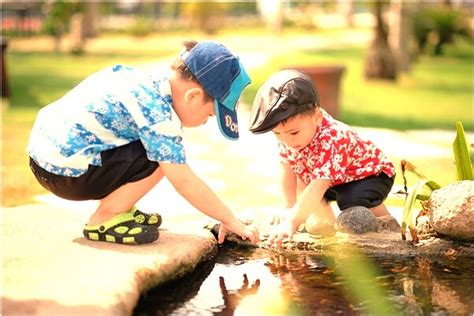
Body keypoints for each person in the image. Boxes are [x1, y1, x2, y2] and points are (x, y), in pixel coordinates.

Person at [27, 40, 259, 245]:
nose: (205, 123)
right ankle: (105, 217)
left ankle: (121, 207)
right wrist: (229, 219)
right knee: (164, 158)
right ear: (193, 96)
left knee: (157, 148)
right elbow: (184, 181)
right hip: (65, 175)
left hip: (44, 159)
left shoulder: (144, 81)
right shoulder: (158, 115)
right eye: (209, 116)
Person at [248, 70, 395, 246]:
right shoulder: (290, 137)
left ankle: (389, 228)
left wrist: (291, 223)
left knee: (351, 200)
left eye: (294, 132)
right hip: (335, 179)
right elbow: (288, 170)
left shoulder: (333, 138)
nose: (287, 140)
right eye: (278, 134)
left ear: (317, 117)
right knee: (307, 189)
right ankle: (330, 231)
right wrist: (289, 207)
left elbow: (319, 186)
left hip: (370, 175)